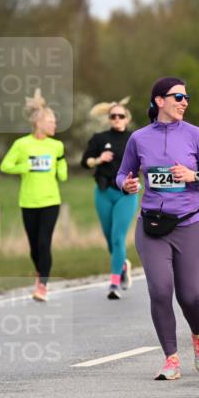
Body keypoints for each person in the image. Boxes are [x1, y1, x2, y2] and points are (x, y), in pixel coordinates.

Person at [116, 77, 199, 380]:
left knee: (189, 296)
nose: (184, 102)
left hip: (190, 225)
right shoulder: (139, 138)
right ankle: (171, 358)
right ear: (159, 101)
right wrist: (125, 184)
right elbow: (122, 173)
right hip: (152, 227)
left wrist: (193, 176)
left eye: (186, 98)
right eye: (178, 97)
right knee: (160, 291)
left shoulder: (195, 134)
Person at [0, 89, 68, 301]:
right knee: (33, 247)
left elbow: (62, 171)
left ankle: (42, 286)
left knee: (44, 243)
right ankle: (40, 273)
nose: (55, 125)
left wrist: (61, 166)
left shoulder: (56, 146)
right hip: (28, 202)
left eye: (55, 122)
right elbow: (5, 166)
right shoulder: (22, 144)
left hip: (50, 201)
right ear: (39, 123)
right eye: (51, 122)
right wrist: (25, 166)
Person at [82, 97, 138, 299]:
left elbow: (147, 161)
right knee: (109, 239)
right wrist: (99, 159)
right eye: (113, 116)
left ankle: (114, 283)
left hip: (126, 193)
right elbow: (85, 162)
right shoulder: (99, 138)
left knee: (117, 238)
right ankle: (122, 265)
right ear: (109, 118)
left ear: (127, 118)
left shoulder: (134, 139)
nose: (116, 119)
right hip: (104, 192)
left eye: (120, 116)